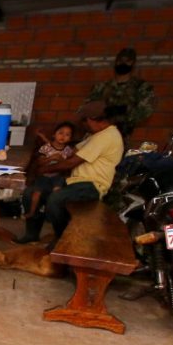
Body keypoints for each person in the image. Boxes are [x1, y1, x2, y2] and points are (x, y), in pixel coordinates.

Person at [16, 101, 124, 246]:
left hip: (91, 185)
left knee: (56, 199)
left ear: (91, 119)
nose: (83, 125)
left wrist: (43, 169)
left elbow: (71, 162)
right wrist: (50, 154)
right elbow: (71, 153)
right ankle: (32, 234)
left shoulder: (107, 137)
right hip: (73, 181)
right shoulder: (95, 135)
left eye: (84, 121)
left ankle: (62, 241)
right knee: (31, 192)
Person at [88, 47, 155, 141]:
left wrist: (124, 112)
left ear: (133, 63)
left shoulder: (140, 87)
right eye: (120, 60)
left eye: (127, 61)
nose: (122, 63)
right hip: (97, 133)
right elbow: (88, 108)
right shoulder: (102, 86)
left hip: (122, 134)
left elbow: (145, 110)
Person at [23, 121, 76, 218]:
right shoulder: (46, 147)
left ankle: (50, 213)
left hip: (57, 176)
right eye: (60, 133)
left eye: (67, 135)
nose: (63, 136)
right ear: (54, 134)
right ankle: (32, 212)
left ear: (70, 138)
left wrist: (61, 160)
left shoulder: (68, 150)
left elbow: (68, 164)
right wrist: (51, 158)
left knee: (56, 193)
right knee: (36, 193)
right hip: (43, 176)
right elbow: (39, 162)